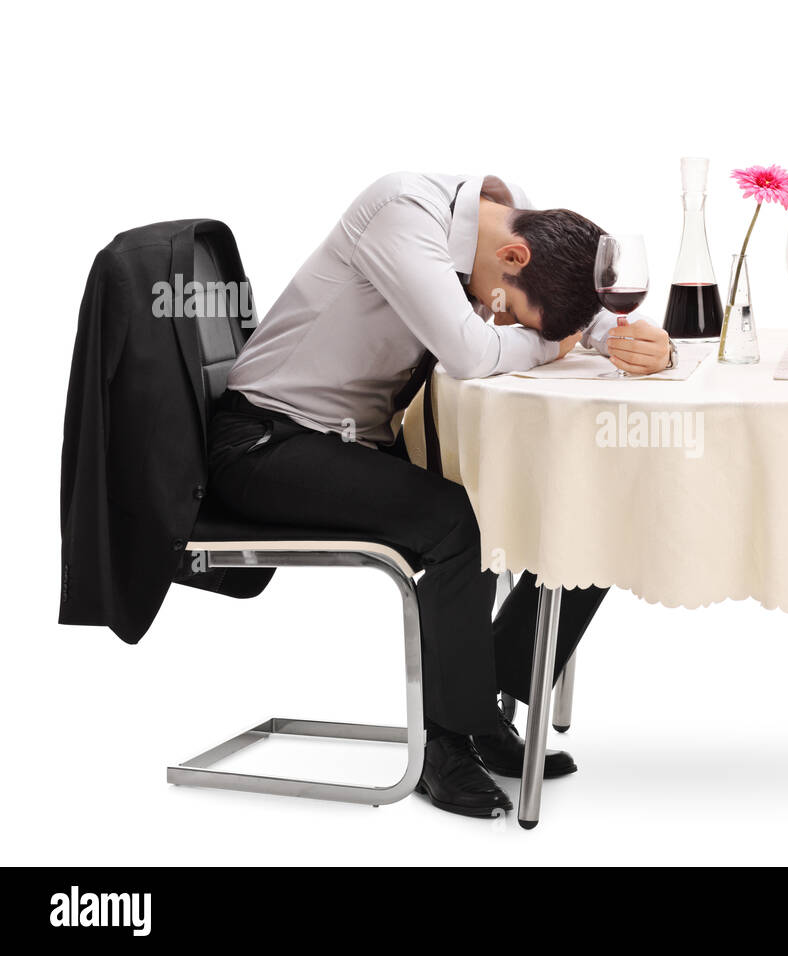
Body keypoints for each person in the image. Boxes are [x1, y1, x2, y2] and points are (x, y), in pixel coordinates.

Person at [207, 172, 674, 817]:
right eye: (506, 307)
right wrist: (551, 341)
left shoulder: (516, 225)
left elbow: (567, 309)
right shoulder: (401, 214)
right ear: (512, 259)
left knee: (562, 501)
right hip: (265, 443)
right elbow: (468, 350)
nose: (497, 312)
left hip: (352, 442)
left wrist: (625, 336)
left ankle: (482, 705)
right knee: (455, 524)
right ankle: (444, 745)